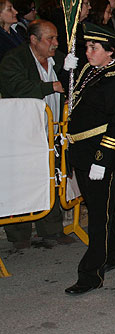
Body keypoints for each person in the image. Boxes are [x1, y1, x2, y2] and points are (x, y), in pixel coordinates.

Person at [64, 22, 115, 295]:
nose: (88, 52)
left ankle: (91, 274)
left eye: (94, 47)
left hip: (99, 157)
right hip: (81, 153)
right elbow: (72, 95)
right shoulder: (87, 71)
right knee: (100, 209)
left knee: (97, 218)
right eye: (88, 46)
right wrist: (66, 68)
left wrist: (102, 160)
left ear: (110, 52)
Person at [0, 19, 75, 249]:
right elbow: (16, 87)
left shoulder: (59, 59)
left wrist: (69, 72)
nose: (55, 43)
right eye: (50, 39)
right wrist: (50, 86)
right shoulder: (14, 60)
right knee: (21, 181)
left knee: (51, 178)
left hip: (52, 131)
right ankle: (19, 234)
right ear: (34, 40)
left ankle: (51, 230)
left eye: (56, 38)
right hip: (23, 132)